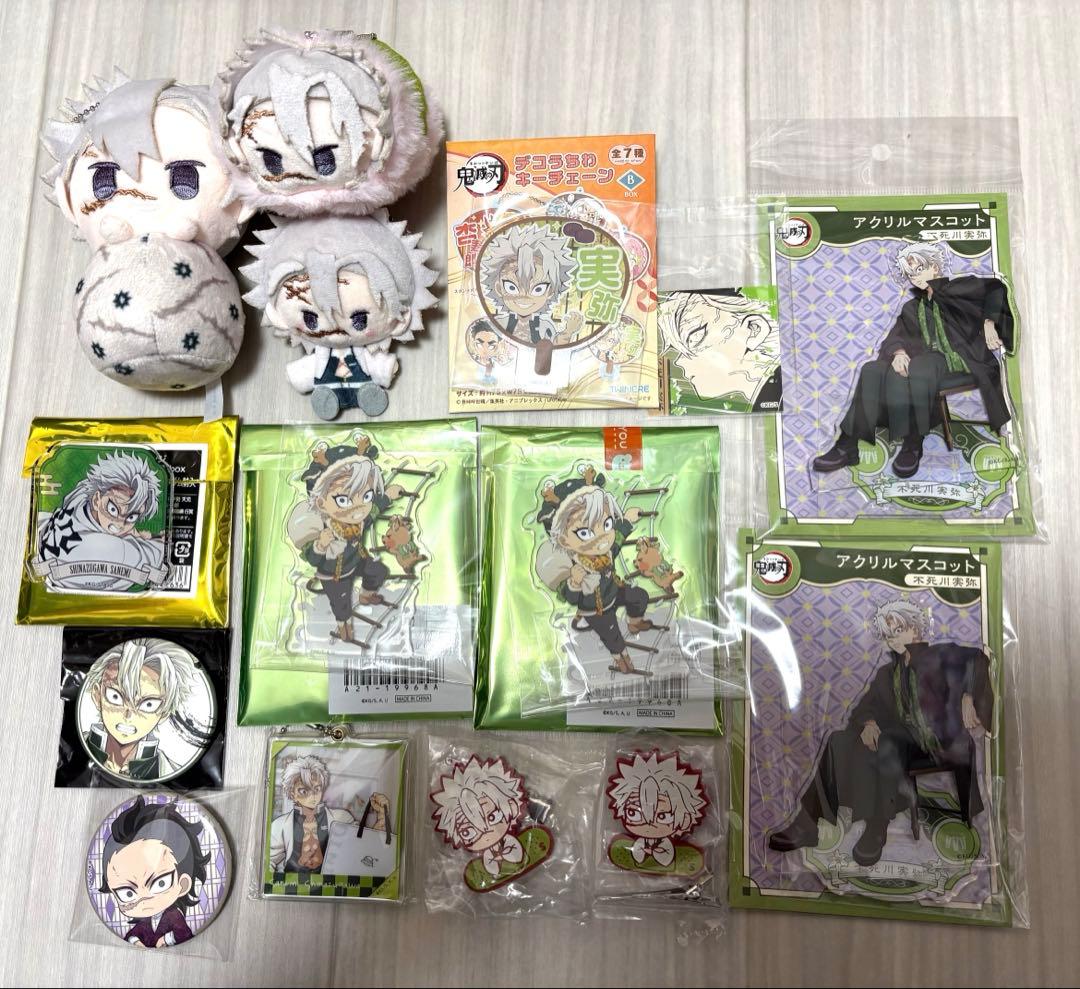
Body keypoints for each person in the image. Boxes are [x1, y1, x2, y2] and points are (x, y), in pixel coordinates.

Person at [767, 600, 993, 867]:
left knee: (888, 740)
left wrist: (968, 695)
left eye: (897, 630)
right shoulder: (887, 673)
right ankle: (807, 824)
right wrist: (869, 722)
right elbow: (865, 708)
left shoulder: (940, 655)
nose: (892, 638)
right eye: (888, 634)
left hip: (939, 740)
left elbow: (978, 659)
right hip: (901, 742)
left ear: (915, 629)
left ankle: (877, 826)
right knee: (838, 740)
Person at [812, 243, 1014, 478]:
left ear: (935, 267)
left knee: (922, 365)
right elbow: (894, 337)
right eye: (911, 273)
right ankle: (846, 445)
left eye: (920, 269)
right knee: (872, 369)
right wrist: (898, 353)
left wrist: (989, 321)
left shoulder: (960, 287)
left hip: (962, 361)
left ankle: (912, 444)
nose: (915, 276)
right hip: (924, 365)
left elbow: (996, 288)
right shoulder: (912, 307)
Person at [100, 795, 210, 948]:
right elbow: (133, 934)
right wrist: (135, 941)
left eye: (160, 883)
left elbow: (183, 933)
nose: (144, 899)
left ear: (183, 884)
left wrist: (166, 940)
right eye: (127, 893)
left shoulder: (174, 916)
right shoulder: (145, 920)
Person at [83, 638, 199, 781]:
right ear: (97, 695)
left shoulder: (171, 772)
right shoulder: (74, 753)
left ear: (164, 712)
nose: (128, 715)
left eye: (148, 705)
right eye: (115, 697)